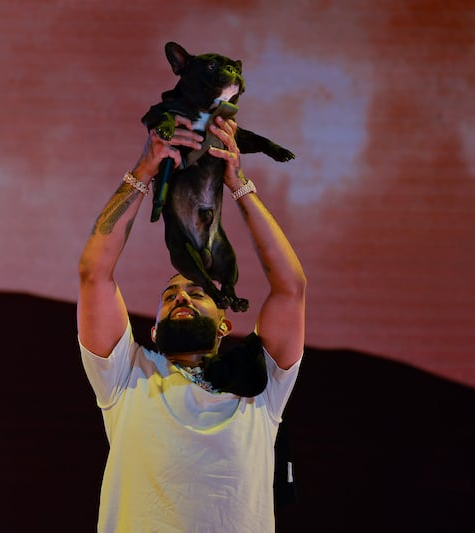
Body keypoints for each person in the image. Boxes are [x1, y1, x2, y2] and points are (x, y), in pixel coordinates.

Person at [77, 114, 306, 532]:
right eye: (169, 297)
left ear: (224, 324)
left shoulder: (260, 384)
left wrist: (238, 183)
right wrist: (145, 170)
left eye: (198, 293)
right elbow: (95, 272)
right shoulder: (126, 376)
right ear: (153, 330)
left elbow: (290, 288)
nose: (180, 295)